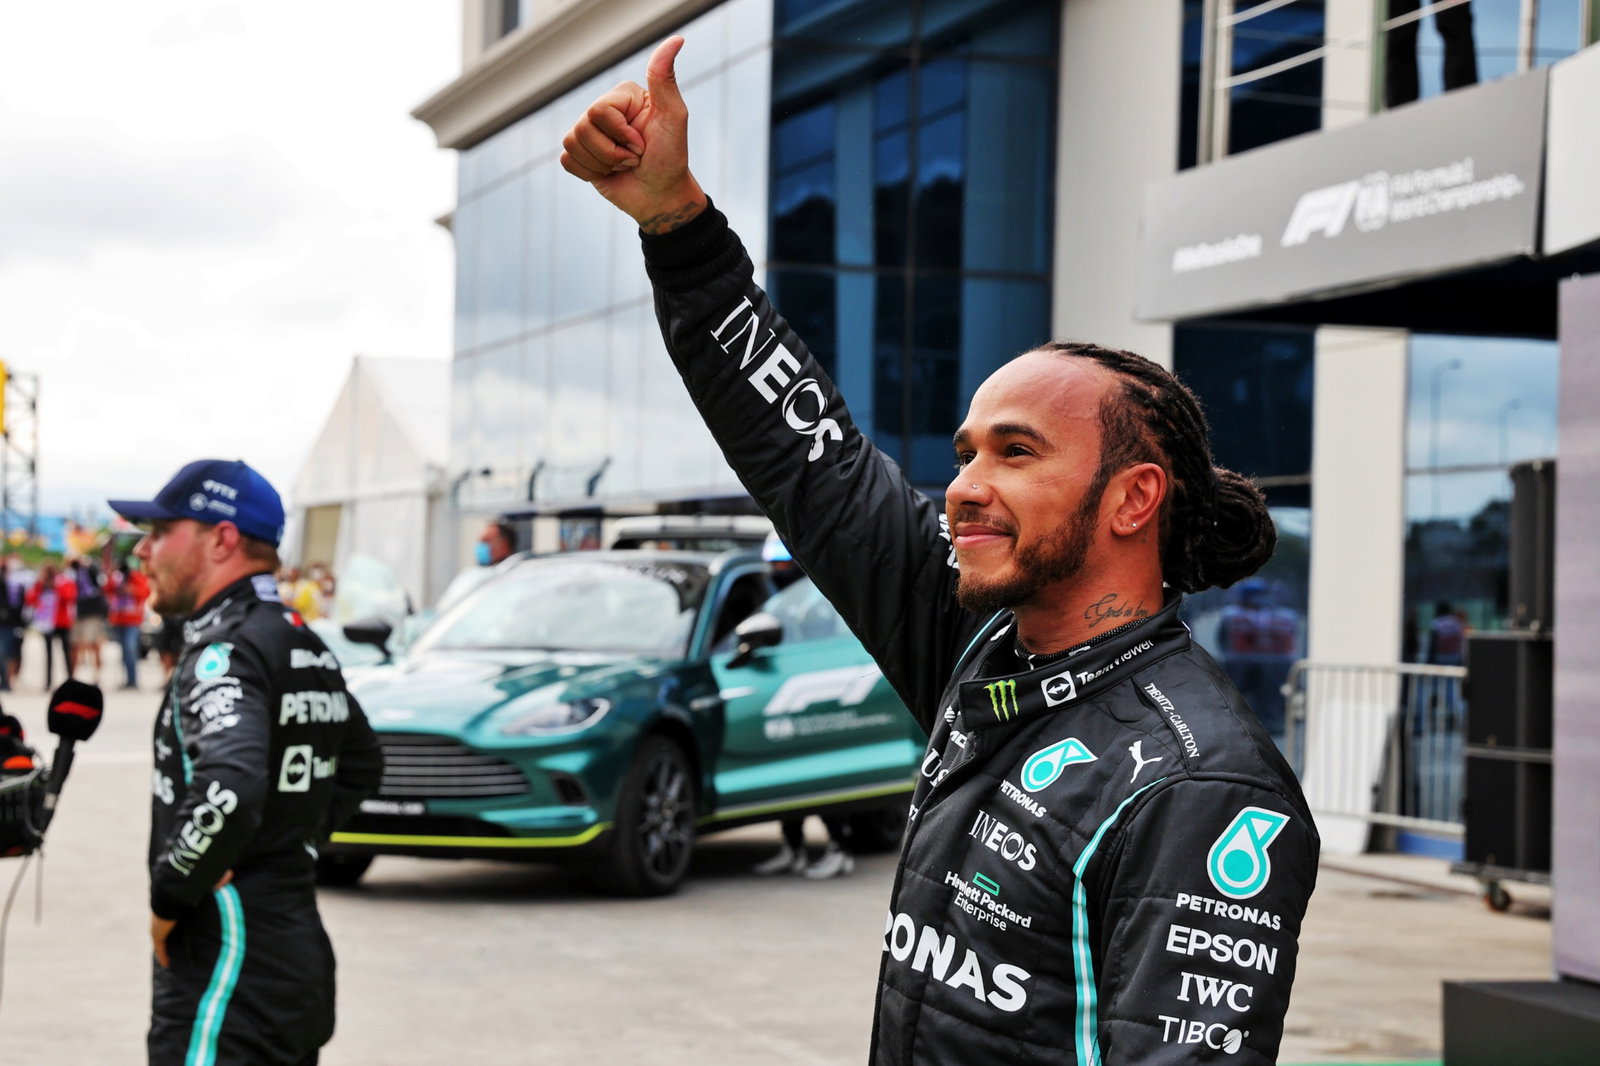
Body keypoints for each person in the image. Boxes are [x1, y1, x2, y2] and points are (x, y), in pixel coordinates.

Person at [562, 38, 1319, 1063]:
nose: (964, 486)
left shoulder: (1199, 784)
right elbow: (807, 456)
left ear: (1133, 498)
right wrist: (675, 223)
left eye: (1016, 453)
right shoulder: (984, 654)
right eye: (965, 454)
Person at [108, 458, 384, 1066]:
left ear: (221, 539)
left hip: (226, 963)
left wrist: (171, 896)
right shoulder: (298, 638)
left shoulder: (225, 648)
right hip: (288, 950)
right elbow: (364, 761)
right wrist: (287, 842)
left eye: (160, 533)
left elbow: (228, 785)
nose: (145, 553)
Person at [752, 532, 855, 879]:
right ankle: (793, 848)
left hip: (820, 694)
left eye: (782, 564)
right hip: (787, 693)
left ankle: (840, 850)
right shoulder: (782, 601)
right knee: (789, 776)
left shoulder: (818, 599)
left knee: (821, 776)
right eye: (772, 566)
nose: (776, 572)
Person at [28, 561, 77, 689]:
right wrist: (41, 585)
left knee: (66, 651)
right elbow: (30, 599)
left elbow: (70, 597)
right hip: (47, 623)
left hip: (61, 622)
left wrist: (56, 586)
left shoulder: (63, 582)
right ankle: (48, 681)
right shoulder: (39, 584)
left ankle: (70, 679)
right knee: (48, 653)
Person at [108, 558, 152, 689]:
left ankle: (133, 680)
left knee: (130, 648)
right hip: (118, 619)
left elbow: (146, 591)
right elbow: (107, 590)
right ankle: (127, 679)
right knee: (123, 650)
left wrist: (131, 589)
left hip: (132, 619)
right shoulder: (116, 578)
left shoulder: (136, 577)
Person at [70, 556, 110, 684]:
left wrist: (89, 564)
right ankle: (75, 676)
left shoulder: (92, 571)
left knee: (93, 644)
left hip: (92, 613)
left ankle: (97, 676)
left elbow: (101, 582)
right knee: (76, 645)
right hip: (78, 614)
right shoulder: (73, 573)